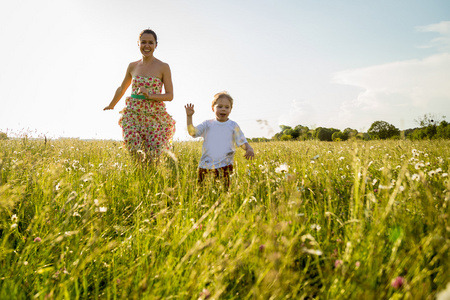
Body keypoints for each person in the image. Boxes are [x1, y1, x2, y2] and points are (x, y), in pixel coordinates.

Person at [104, 29, 176, 162]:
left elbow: (170, 95)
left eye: (150, 43)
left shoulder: (163, 67)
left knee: (153, 156)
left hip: (153, 115)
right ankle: (138, 174)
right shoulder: (132, 66)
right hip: (133, 112)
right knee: (134, 148)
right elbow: (122, 87)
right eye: (143, 42)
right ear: (138, 44)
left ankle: (150, 179)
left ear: (156, 45)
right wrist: (112, 104)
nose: (147, 46)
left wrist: (149, 95)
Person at [185, 91, 254, 187]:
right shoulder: (207, 124)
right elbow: (192, 132)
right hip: (206, 166)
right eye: (220, 106)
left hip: (225, 166)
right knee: (203, 193)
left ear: (230, 109)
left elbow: (242, 141)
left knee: (224, 193)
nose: (223, 109)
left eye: (227, 107)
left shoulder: (233, 126)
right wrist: (189, 117)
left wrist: (249, 148)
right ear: (213, 108)